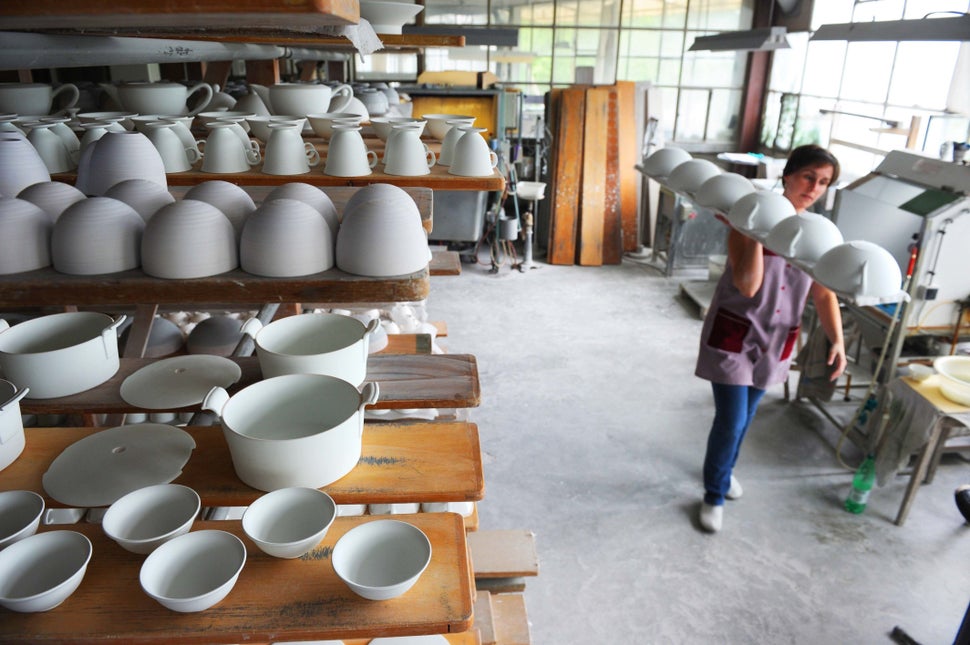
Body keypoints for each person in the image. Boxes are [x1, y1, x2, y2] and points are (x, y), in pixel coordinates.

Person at [694, 144, 848, 533]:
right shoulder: (749, 218)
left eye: (824, 182)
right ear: (788, 175)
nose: (814, 188)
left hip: (776, 340)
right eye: (809, 177)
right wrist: (755, 234)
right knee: (730, 420)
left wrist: (837, 340)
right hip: (735, 334)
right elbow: (748, 286)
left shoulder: (820, 234)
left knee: (744, 418)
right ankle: (714, 493)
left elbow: (824, 292)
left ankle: (725, 473)